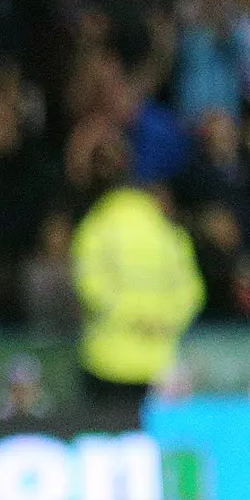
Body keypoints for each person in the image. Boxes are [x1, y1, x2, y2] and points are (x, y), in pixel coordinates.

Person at [71, 138, 205, 409]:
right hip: (160, 361)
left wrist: (134, 317)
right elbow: (192, 292)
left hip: (107, 361)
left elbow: (90, 289)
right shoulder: (167, 231)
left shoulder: (95, 228)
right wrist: (161, 320)